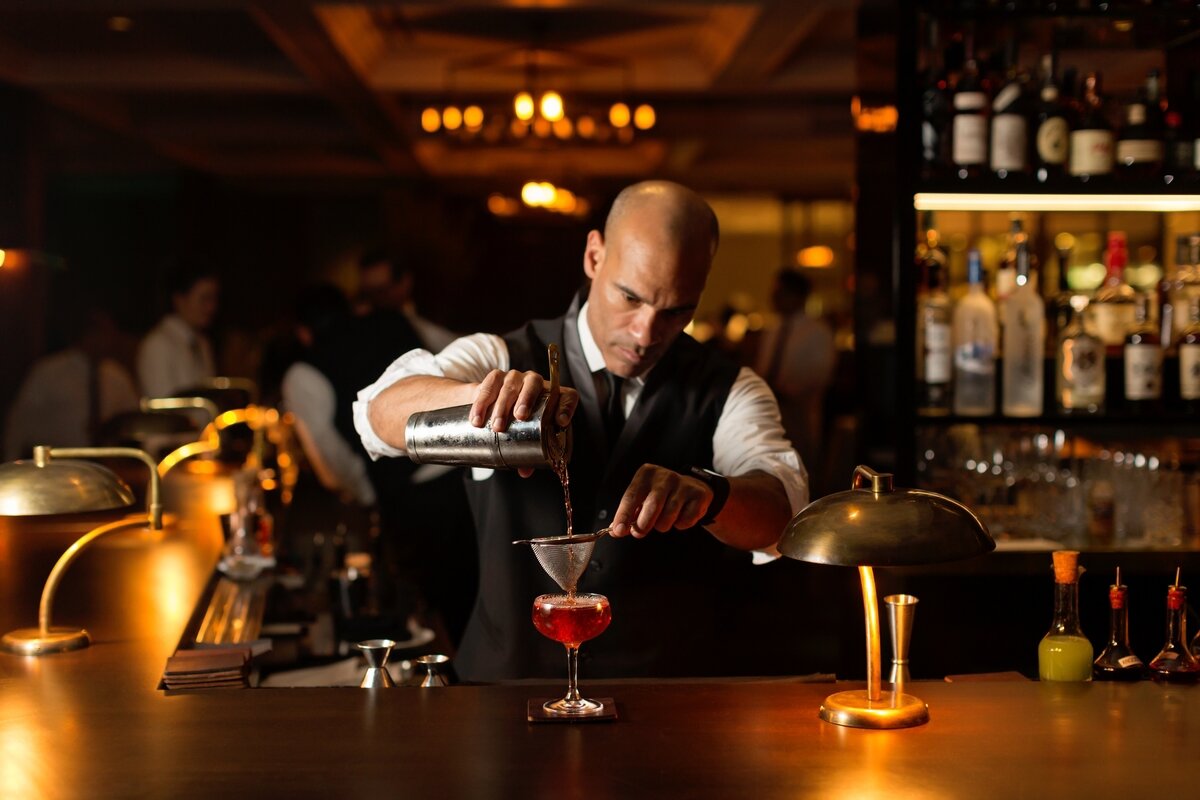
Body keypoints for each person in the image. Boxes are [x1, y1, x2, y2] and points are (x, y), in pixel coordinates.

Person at [354, 181, 806, 681]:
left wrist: (710, 496)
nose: (645, 333)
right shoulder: (502, 355)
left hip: (666, 705)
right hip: (500, 698)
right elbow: (377, 414)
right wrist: (478, 398)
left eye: (676, 310)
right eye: (629, 297)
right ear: (594, 256)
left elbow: (784, 515)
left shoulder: (730, 387)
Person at [5, 305, 140, 460]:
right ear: (85, 335)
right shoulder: (49, 372)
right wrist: (11, 460)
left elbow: (133, 418)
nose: (109, 340)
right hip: (56, 462)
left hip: (105, 462)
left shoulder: (116, 375)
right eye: (102, 334)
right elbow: (20, 419)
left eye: (111, 334)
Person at [754, 268, 836, 492]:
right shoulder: (773, 329)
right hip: (770, 408)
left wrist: (788, 390)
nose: (774, 298)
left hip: (800, 411)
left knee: (802, 469)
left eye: (780, 293)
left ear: (798, 296)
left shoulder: (817, 332)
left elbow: (820, 375)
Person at [137, 258, 220, 398]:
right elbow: (164, 409)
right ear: (179, 299)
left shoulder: (202, 343)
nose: (211, 307)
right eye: (204, 299)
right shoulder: (157, 345)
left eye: (214, 299)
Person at [356, 249, 456, 353]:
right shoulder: (365, 324)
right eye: (367, 293)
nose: (375, 300)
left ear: (405, 282)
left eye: (382, 291)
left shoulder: (431, 305)